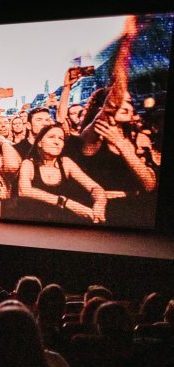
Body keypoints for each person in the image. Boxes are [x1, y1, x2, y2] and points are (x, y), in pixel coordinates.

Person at [78, 17, 159, 227]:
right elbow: (114, 98)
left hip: (138, 214)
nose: (126, 106)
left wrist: (124, 146)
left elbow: (150, 184)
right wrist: (127, 42)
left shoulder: (137, 138)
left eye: (130, 103)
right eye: (121, 101)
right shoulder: (93, 134)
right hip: (103, 215)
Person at [17, 124, 116, 223]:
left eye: (61, 139)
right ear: (39, 143)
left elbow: (95, 188)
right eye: (51, 137)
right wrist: (66, 203)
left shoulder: (65, 162)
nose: (57, 142)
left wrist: (99, 205)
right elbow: (24, 190)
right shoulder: (28, 163)